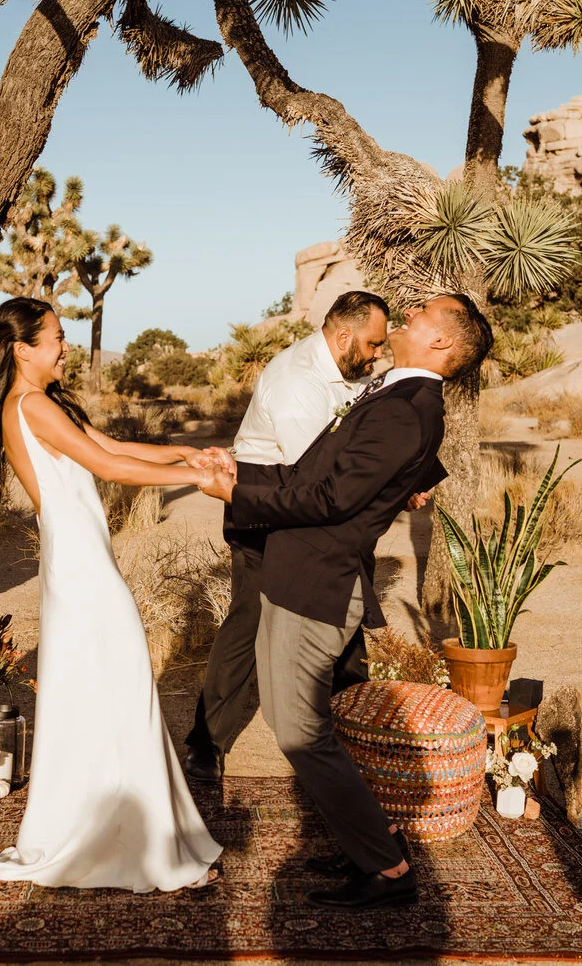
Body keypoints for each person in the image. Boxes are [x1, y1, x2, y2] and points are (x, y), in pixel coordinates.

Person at [199, 293, 494, 912]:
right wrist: (241, 478)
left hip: (318, 579)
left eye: (420, 316)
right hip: (297, 569)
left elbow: (330, 498)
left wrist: (237, 494)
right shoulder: (393, 394)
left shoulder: (408, 408)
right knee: (301, 723)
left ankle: (388, 870)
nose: (407, 316)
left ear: (442, 343)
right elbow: (310, 474)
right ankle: (373, 839)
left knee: (301, 731)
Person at [0, 298, 228, 892]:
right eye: (57, 337)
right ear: (23, 348)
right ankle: (141, 841)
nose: (65, 346)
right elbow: (108, 468)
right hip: (83, 569)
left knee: (104, 688)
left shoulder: (37, 405)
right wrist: (199, 479)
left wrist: (185, 454)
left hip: (80, 562)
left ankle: (126, 827)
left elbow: (112, 447)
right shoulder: (31, 405)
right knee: (124, 686)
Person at [184, 290, 394, 783]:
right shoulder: (297, 379)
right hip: (265, 500)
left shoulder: (344, 371)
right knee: (251, 620)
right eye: (372, 344)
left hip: (310, 499)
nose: (378, 353)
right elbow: (318, 473)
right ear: (343, 336)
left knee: (341, 610)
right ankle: (206, 740)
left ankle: (354, 734)